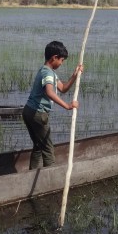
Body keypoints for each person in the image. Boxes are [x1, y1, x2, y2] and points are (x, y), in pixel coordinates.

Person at [22, 40, 83, 170]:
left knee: (38, 146)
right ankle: (50, 178)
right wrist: (67, 106)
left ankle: (31, 174)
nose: (61, 63)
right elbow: (49, 92)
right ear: (54, 58)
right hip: (37, 113)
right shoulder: (47, 73)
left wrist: (75, 75)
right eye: (61, 60)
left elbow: (63, 88)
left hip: (28, 111)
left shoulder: (47, 72)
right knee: (48, 149)